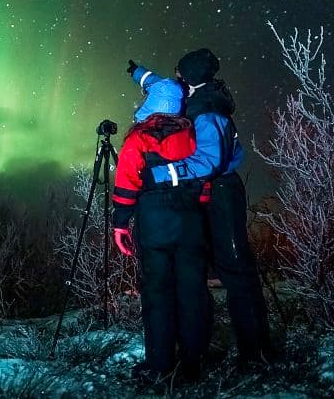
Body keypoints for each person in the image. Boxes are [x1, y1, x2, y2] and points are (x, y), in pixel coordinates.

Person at [127, 49, 272, 366]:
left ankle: (256, 353)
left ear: (190, 78)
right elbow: (162, 86)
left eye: (180, 73)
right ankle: (202, 347)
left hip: (221, 193)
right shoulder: (194, 96)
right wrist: (139, 72)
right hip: (200, 195)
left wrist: (162, 174)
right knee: (200, 271)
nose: (176, 77)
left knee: (235, 271)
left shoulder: (208, 113)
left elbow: (209, 161)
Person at [111, 75, 210, 382]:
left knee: (157, 293)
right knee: (192, 291)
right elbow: (204, 177)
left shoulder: (139, 138)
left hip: (154, 223)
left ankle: (160, 364)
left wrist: (120, 223)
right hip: (190, 221)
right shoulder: (193, 134)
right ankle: (193, 363)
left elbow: (127, 183)